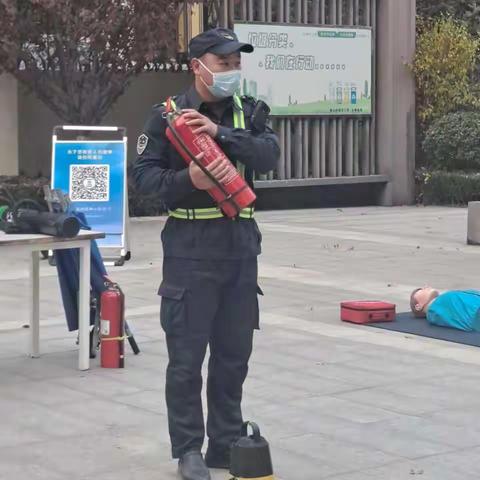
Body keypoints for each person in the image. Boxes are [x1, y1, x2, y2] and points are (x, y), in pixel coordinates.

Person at [133, 27, 280, 480]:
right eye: (224, 63)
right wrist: (186, 182)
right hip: (190, 253)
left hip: (239, 249)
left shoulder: (249, 111)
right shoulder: (167, 118)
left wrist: (219, 133)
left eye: (237, 63)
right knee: (186, 359)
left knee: (234, 355)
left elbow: (268, 155)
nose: (233, 71)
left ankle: (224, 440)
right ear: (198, 67)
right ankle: (188, 449)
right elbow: (143, 181)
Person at [410, 286, 480, 332]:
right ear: (418, 306)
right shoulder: (433, 312)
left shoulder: (443, 300)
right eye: (421, 290)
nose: (426, 286)